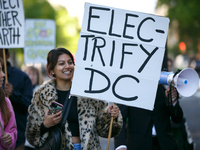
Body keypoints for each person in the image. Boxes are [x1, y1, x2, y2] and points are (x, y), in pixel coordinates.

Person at [26, 47, 123, 150]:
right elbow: (32, 136)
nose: (68, 66)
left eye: (70, 62)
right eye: (62, 63)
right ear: (52, 70)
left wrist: (109, 115)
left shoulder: (87, 93)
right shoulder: (42, 95)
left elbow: (105, 131)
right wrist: (45, 125)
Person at [114, 59, 184, 150]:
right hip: (138, 145)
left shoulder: (164, 89)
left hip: (164, 145)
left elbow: (178, 119)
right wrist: (120, 145)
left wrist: (173, 102)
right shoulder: (129, 89)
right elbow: (120, 118)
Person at [0, 49, 33, 150]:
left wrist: (13, 94)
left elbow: (29, 105)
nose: (3, 75)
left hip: (19, 137)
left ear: (8, 55)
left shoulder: (22, 77)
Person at [24, 66, 44, 150]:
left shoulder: (41, 92)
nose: (31, 77)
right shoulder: (22, 92)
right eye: (29, 74)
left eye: (34, 74)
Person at [0, 57, 18, 150]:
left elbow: (12, 130)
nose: (3, 74)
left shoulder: (5, 102)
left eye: (2, 70)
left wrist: (9, 137)